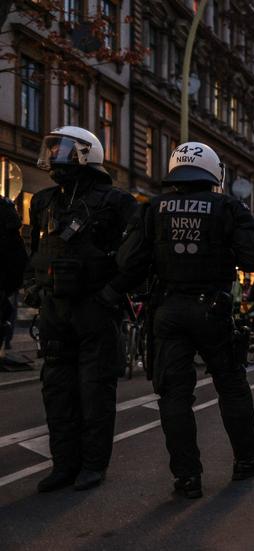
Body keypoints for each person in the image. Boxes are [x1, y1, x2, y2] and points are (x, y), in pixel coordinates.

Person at [115, 142, 254, 498]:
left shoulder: (152, 208)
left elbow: (128, 261)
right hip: (212, 310)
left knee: (174, 395)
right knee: (231, 385)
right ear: (214, 172)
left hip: (167, 310)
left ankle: (186, 477)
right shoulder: (228, 207)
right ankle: (247, 459)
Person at [25, 126, 137, 492]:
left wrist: (111, 293)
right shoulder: (43, 202)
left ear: (85, 154)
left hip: (95, 309)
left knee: (94, 389)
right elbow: (32, 253)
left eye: (63, 148)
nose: (55, 153)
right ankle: (63, 465)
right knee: (57, 390)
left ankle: (92, 464)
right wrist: (33, 288)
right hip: (54, 309)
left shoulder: (117, 202)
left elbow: (134, 257)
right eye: (52, 147)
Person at [1, 195, 27, 363]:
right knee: (7, 311)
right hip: (6, 279)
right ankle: (6, 341)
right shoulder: (12, 234)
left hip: (5, 278)